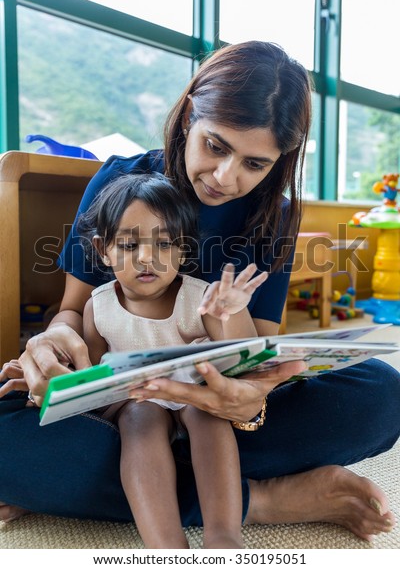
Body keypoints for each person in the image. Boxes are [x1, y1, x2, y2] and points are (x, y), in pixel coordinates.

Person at [0, 41, 399, 542]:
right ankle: (268, 499)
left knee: (381, 394)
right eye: (216, 146)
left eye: (256, 164)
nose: (226, 178)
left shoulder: (270, 217)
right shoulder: (121, 181)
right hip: (126, 413)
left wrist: (248, 401)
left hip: (217, 417)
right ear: (190, 115)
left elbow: (258, 353)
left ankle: (99, 487)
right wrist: (49, 347)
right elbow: (72, 314)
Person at [78, 172, 267, 548]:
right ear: (104, 250)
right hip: (139, 404)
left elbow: (248, 358)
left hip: (196, 399)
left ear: (183, 250)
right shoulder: (97, 307)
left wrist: (231, 314)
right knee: (139, 417)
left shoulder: (202, 299)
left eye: (164, 245)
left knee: (205, 415)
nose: (147, 257)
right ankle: (167, 547)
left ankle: (223, 538)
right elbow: (92, 375)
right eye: (130, 246)